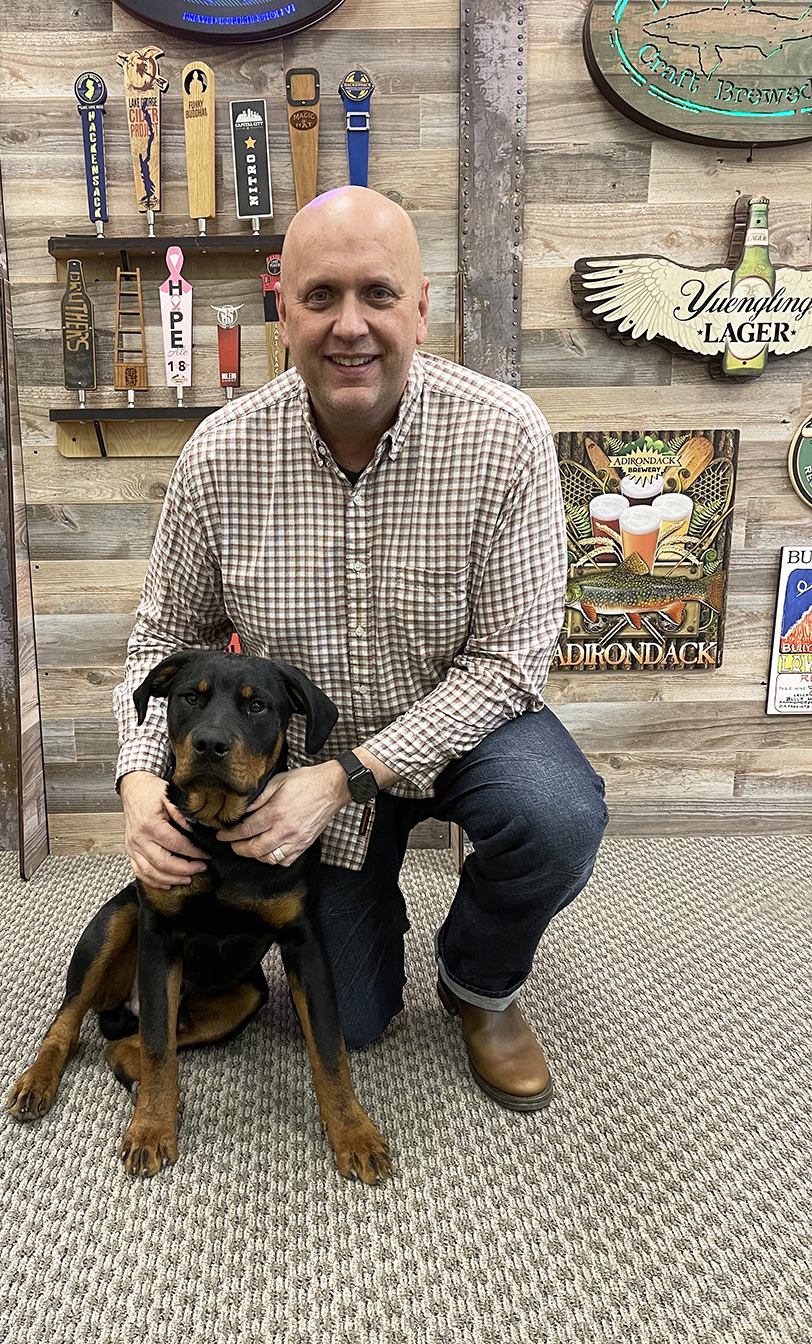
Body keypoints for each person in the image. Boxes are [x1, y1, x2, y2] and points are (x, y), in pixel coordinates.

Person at [113, 186, 608, 1111]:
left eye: (378, 295)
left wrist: (344, 778)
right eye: (320, 297)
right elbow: (164, 638)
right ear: (282, 313)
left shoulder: (506, 436)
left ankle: (481, 987)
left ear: (422, 308)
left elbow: (509, 662)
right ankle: (368, 913)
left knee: (554, 813)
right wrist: (139, 781)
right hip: (302, 753)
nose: (350, 326)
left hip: (462, 729)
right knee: (363, 1017)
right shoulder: (219, 455)